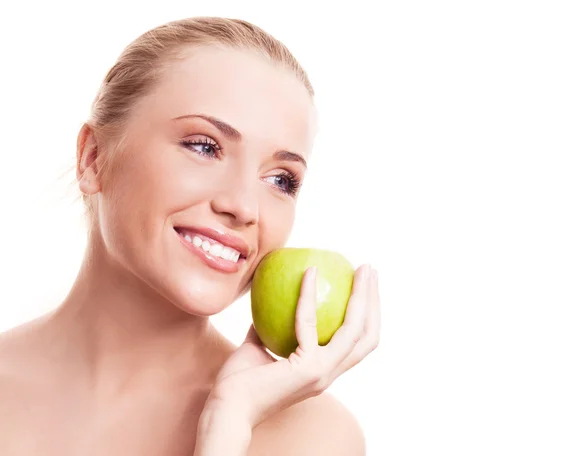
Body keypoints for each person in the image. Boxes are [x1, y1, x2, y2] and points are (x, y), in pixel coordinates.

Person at [0, 16, 380, 455]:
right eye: (205, 147)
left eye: (281, 180)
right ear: (93, 158)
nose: (243, 205)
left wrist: (226, 427)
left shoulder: (313, 438)